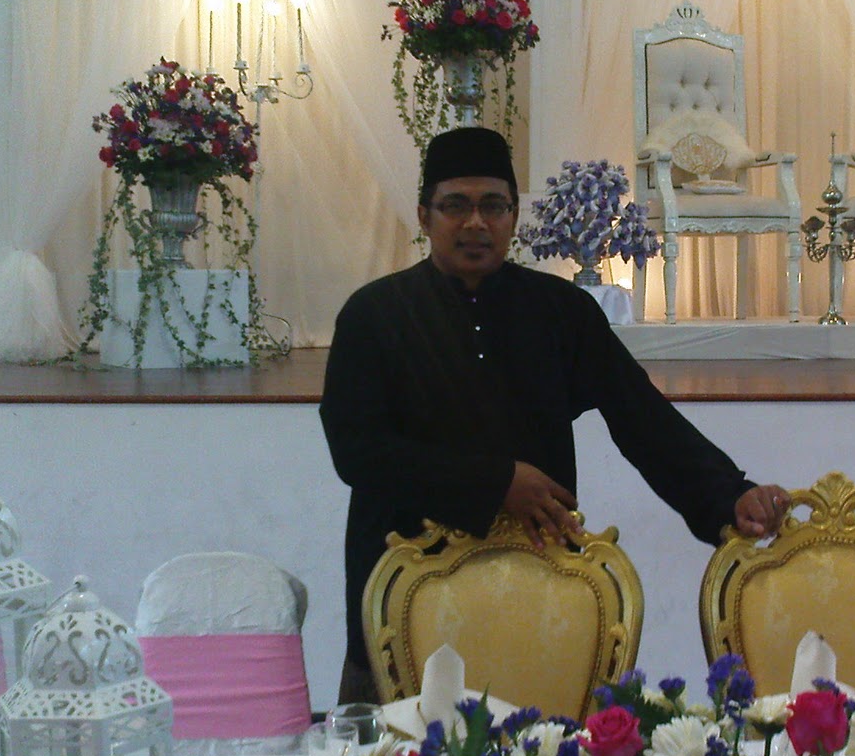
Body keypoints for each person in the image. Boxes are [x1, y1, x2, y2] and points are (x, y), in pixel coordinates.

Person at [320, 126, 790, 701]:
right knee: (388, 753)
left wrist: (728, 495)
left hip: (537, 587)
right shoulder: (373, 316)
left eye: (493, 206)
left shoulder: (560, 311)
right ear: (424, 216)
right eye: (456, 206)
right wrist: (496, 483)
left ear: (514, 216)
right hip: (401, 596)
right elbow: (358, 450)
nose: (475, 223)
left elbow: (641, 418)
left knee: (542, 748)